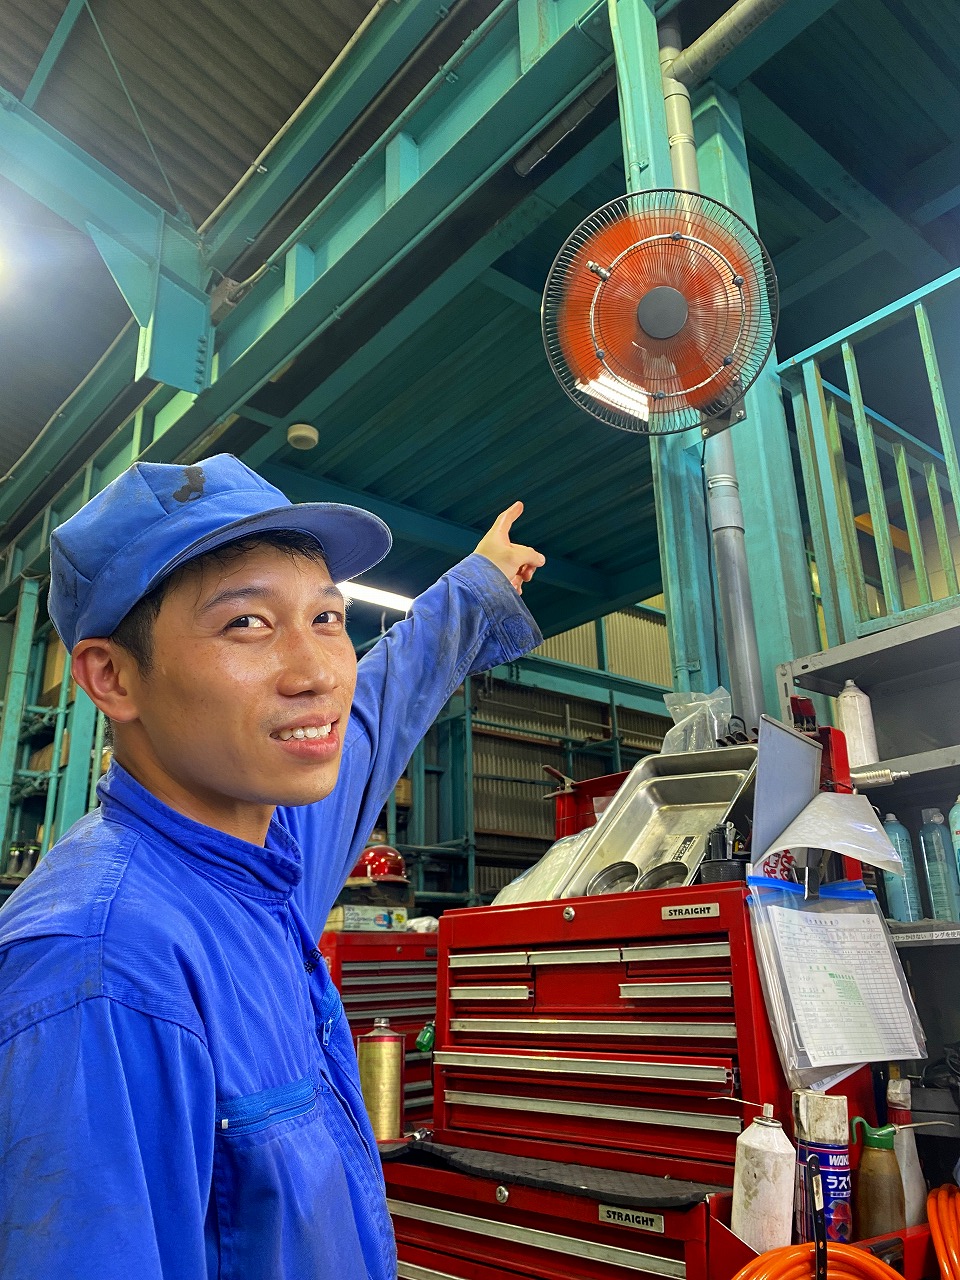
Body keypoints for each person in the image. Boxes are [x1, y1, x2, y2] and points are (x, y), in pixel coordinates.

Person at [0, 454, 545, 1279]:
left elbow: (379, 707)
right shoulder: (101, 971)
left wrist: (478, 585)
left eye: (327, 617)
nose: (317, 672)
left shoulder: (264, 854)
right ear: (112, 677)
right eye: (247, 624)